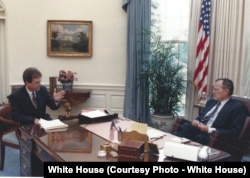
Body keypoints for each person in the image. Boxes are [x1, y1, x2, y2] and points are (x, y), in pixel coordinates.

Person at [173, 78, 247, 145]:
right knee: (186, 126)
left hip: (214, 137)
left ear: (226, 91)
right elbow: (201, 117)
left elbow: (234, 132)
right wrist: (196, 121)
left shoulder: (237, 107)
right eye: (213, 89)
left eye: (216, 89)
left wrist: (209, 130)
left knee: (199, 137)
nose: (213, 92)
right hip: (199, 130)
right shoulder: (211, 102)